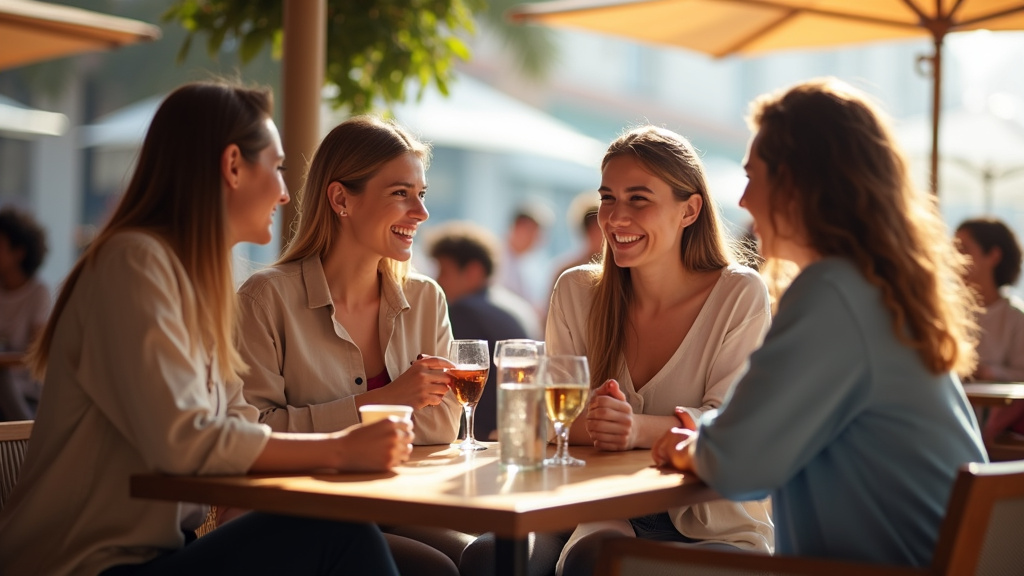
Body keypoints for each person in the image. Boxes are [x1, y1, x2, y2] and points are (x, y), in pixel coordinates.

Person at [0, 81, 409, 576]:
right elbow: (185, 441)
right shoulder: (133, 263)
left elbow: (238, 426)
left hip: (165, 553)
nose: (285, 193)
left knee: (349, 532)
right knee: (340, 533)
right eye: (277, 167)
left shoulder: (195, 282)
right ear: (233, 165)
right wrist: (341, 448)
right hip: (86, 565)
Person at [653, 78, 988, 568]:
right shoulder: (881, 289)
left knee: (604, 559)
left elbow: (740, 464)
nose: (743, 201)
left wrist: (695, 446)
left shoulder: (833, 291)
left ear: (795, 181)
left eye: (753, 176)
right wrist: (714, 436)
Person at [236, 115, 470, 575]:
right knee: (437, 569)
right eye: (400, 193)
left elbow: (443, 422)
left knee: (484, 555)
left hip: (398, 503)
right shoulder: (266, 299)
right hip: (302, 515)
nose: (421, 213)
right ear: (341, 198)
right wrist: (385, 401)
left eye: (420, 195)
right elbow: (252, 433)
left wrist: (336, 421)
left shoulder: (425, 297)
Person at [545, 125, 774, 576]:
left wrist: (630, 429)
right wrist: (597, 426)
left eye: (638, 199)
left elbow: (727, 429)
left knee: (594, 563)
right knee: (495, 556)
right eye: (607, 198)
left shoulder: (738, 294)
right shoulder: (576, 291)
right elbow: (545, 421)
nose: (615, 217)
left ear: (689, 211)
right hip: (603, 509)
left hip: (715, 528)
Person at [428, 220, 538, 441]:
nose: (437, 280)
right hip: (519, 432)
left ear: (473, 271)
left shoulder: (462, 311)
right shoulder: (514, 306)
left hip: (483, 436)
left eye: (443, 271)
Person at [955, 217, 1024, 443]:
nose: (953, 258)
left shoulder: (1015, 317)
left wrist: (989, 372)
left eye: (963, 249)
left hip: (996, 433)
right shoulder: (946, 313)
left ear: (993, 255)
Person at [0, 206, 50, 421]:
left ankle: (25, 447)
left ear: (18, 252)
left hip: (25, 392)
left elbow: (36, 353)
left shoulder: (39, 293)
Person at [497, 201, 554, 310]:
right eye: (534, 232)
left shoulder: (528, 264)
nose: (537, 240)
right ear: (519, 228)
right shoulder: (496, 259)